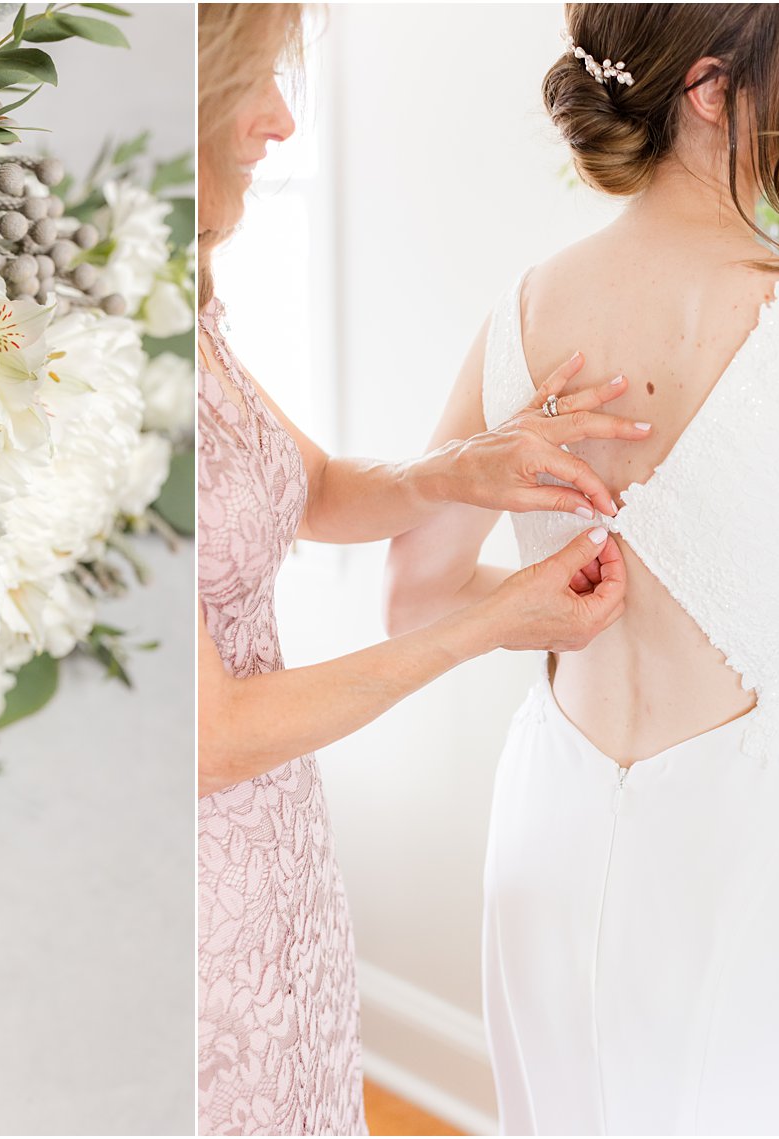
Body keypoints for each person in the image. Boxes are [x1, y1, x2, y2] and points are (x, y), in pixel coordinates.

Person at [386, 5, 779, 1133]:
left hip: (546, 832)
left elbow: (413, 594)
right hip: (745, 869)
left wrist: (556, 599)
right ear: (710, 91)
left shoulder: (524, 311)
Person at [195, 4, 656, 1133]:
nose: (282, 121)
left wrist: (461, 467)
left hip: (274, 854)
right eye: (257, 81)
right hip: (195, 879)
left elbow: (302, 485)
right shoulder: (82, 353)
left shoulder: (184, 310)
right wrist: (488, 619)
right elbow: (206, 738)